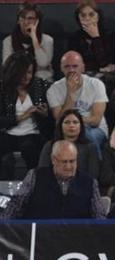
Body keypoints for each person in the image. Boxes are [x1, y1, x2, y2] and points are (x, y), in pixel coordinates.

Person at [1, 140, 104, 219]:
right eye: (64, 162)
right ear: (53, 160)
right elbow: (16, 205)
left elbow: (99, 216)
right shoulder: (35, 176)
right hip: (39, 238)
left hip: (76, 240)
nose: (68, 166)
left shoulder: (89, 182)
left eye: (72, 161)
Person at [47, 51, 109, 157]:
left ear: (83, 68)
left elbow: (95, 120)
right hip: (67, 130)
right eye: (67, 66)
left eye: (75, 66)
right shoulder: (54, 89)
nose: (71, 70)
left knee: (88, 136)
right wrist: (71, 94)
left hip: (96, 129)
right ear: (61, 68)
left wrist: (73, 122)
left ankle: (96, 169)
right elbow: (59, 121)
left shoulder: (96, 84)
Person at [0, 51, 50, 179]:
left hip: (32, 134)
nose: (26, 77)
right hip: (8, 134)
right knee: (5, 159)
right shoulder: (3, 89)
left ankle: (33, 187)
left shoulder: (40, 86)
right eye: (23, 72)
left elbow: (51, 118)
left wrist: (44, 114)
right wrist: (22, 117)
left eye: (29, 72)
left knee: (30, 149)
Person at [68, 0, 115, 97]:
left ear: (98, 16)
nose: (87, 19)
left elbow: (106, 63)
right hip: (83, 76)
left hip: (107, 78)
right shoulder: (75, 38)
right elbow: (75, 65)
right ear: (78, 18)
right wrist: (98, 68)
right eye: (83, 15)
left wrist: (96, 38)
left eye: (91, 15)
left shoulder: (109, 35)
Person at [38, 109, 107, 190]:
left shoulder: (90, 147)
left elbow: (93, 175)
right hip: (52, 188)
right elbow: (42, 171)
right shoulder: (50, 146)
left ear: (81, 125)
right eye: (67, 122)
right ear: (60, 125)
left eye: (75, 122)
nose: (71, 125)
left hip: (82, 188)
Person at [2, 2, 54, 82]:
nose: (26, 22)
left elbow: (43, 63)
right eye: (22, 18)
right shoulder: (8, 41)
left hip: (41, 81)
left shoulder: (47, 40)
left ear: (37, 21)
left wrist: (34, 38)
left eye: (30, 18)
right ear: (18, 20)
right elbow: (8, 66)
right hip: (17, 81)